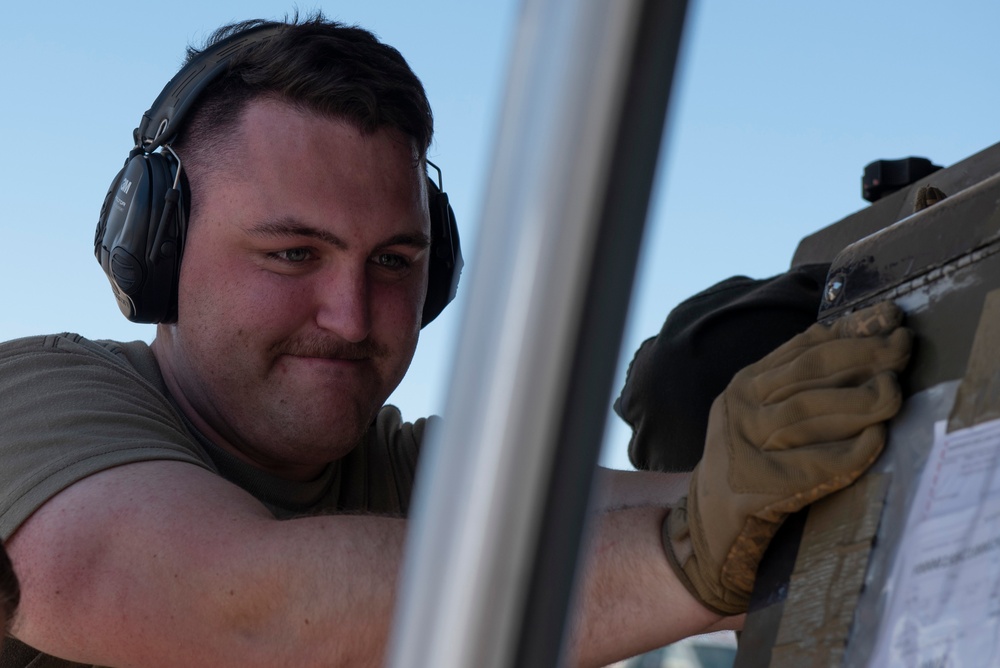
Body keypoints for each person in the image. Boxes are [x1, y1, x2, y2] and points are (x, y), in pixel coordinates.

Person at [0, 14, 912, 668]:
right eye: (291, 253)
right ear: (157, 252)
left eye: (394, 261)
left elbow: (705, 498)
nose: (352, 317)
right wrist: (694, 554)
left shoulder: (411, 478)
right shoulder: (35, 400)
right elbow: (241, 608)